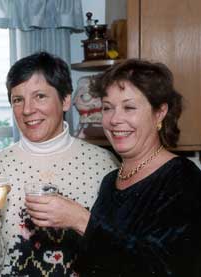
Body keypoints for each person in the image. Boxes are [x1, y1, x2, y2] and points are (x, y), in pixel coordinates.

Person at [25, 59, 201, 276]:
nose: (115, 119)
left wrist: (80, 220)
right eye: (108, 108)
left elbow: (167, 268)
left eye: (129, 107)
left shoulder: (183, 178)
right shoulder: (111, 180)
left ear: (160, 112)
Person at [0, 52, 118, 276]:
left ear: (66, 100)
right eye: (18, 99)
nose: (27, 110)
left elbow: (123, 257)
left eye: (40, 96)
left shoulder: (104, 165)